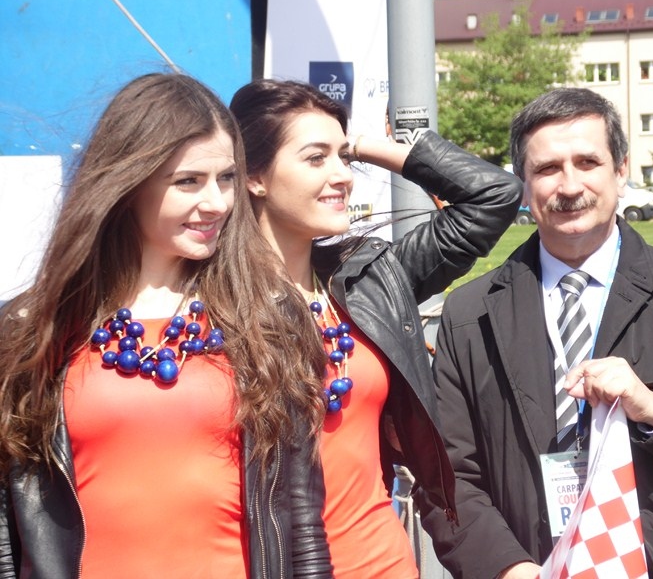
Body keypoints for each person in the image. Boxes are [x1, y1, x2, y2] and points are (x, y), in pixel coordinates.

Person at [419, 87, 653, 579]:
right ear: (523, 185)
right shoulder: (470, 315)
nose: (569, 185)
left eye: (588, 162)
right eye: (547, 168)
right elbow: (447, 478)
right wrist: (507, 568)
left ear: (621, 170)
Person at [0, 73, 332, 578]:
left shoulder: (268, 318)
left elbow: (302, 522)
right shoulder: (34, 327)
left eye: (226, 178)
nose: (218, 202)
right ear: (128, 184)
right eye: (188, 181)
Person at [229, 79, 522, 578]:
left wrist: (364, 143)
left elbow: (493, 197)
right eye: (316, 158)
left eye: (344, 159)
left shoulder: (370, 279)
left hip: (383, 561)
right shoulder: (213, 303)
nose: (343, 176)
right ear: (254, 176)